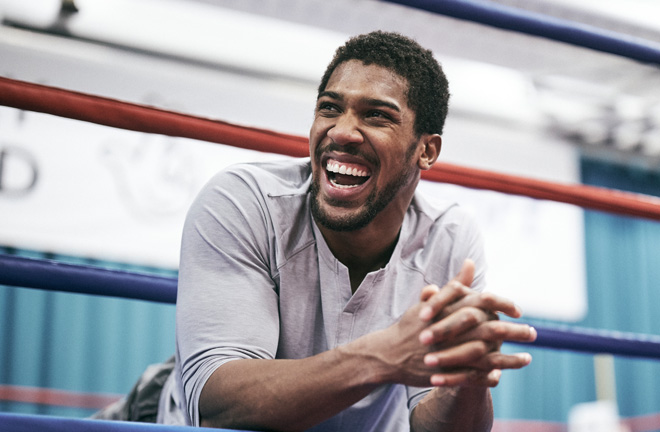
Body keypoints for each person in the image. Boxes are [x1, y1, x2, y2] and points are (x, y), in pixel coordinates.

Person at [154, 30, 537, 431]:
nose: (341, 132)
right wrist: (384, 356)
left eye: (377, 115)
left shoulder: (449, 237)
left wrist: (466, 378)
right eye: (330, 108)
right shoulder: (246, 202)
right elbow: (215, 403)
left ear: (427, 150)